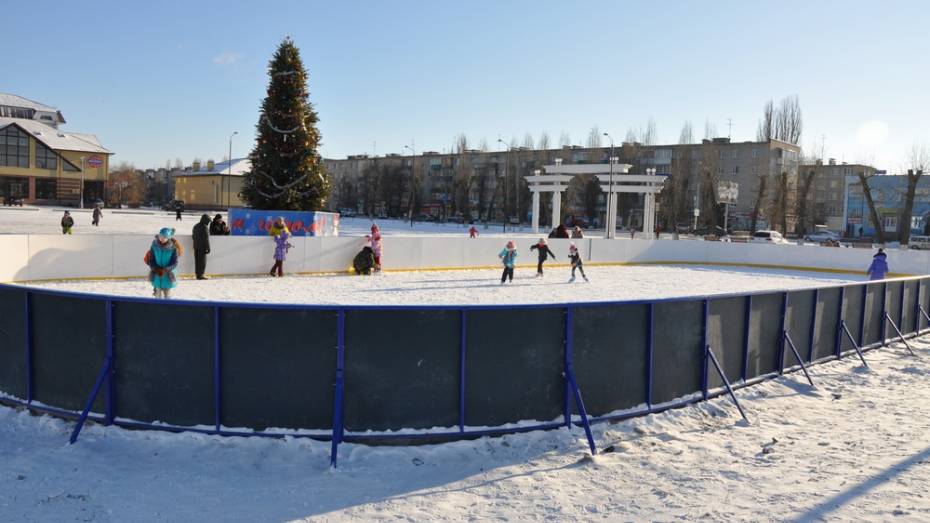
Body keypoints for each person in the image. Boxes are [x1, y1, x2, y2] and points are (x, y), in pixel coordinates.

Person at [145, 227, 181, 299]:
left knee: (167, 295)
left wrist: (165, 269)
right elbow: (151, 259)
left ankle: (167, 308)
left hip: (167, 274)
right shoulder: (154, 246)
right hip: (157, 273)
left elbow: (175, 262)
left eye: (164, 237)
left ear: (168, 238)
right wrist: (155, 268)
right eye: (160, 236)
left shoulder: (173, 248)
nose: (161, 238)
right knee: (157, 295)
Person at [192, 214, 211, 280]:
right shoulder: (204, 227)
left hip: (196, 246)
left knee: (197, 261)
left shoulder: (196, 226)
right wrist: (208, 248)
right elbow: (206, 238)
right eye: (208, 221)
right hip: (202, 247)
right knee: (202, 262)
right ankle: (201, 275)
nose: (208, 222)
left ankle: (197, 275)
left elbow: (193, 236)